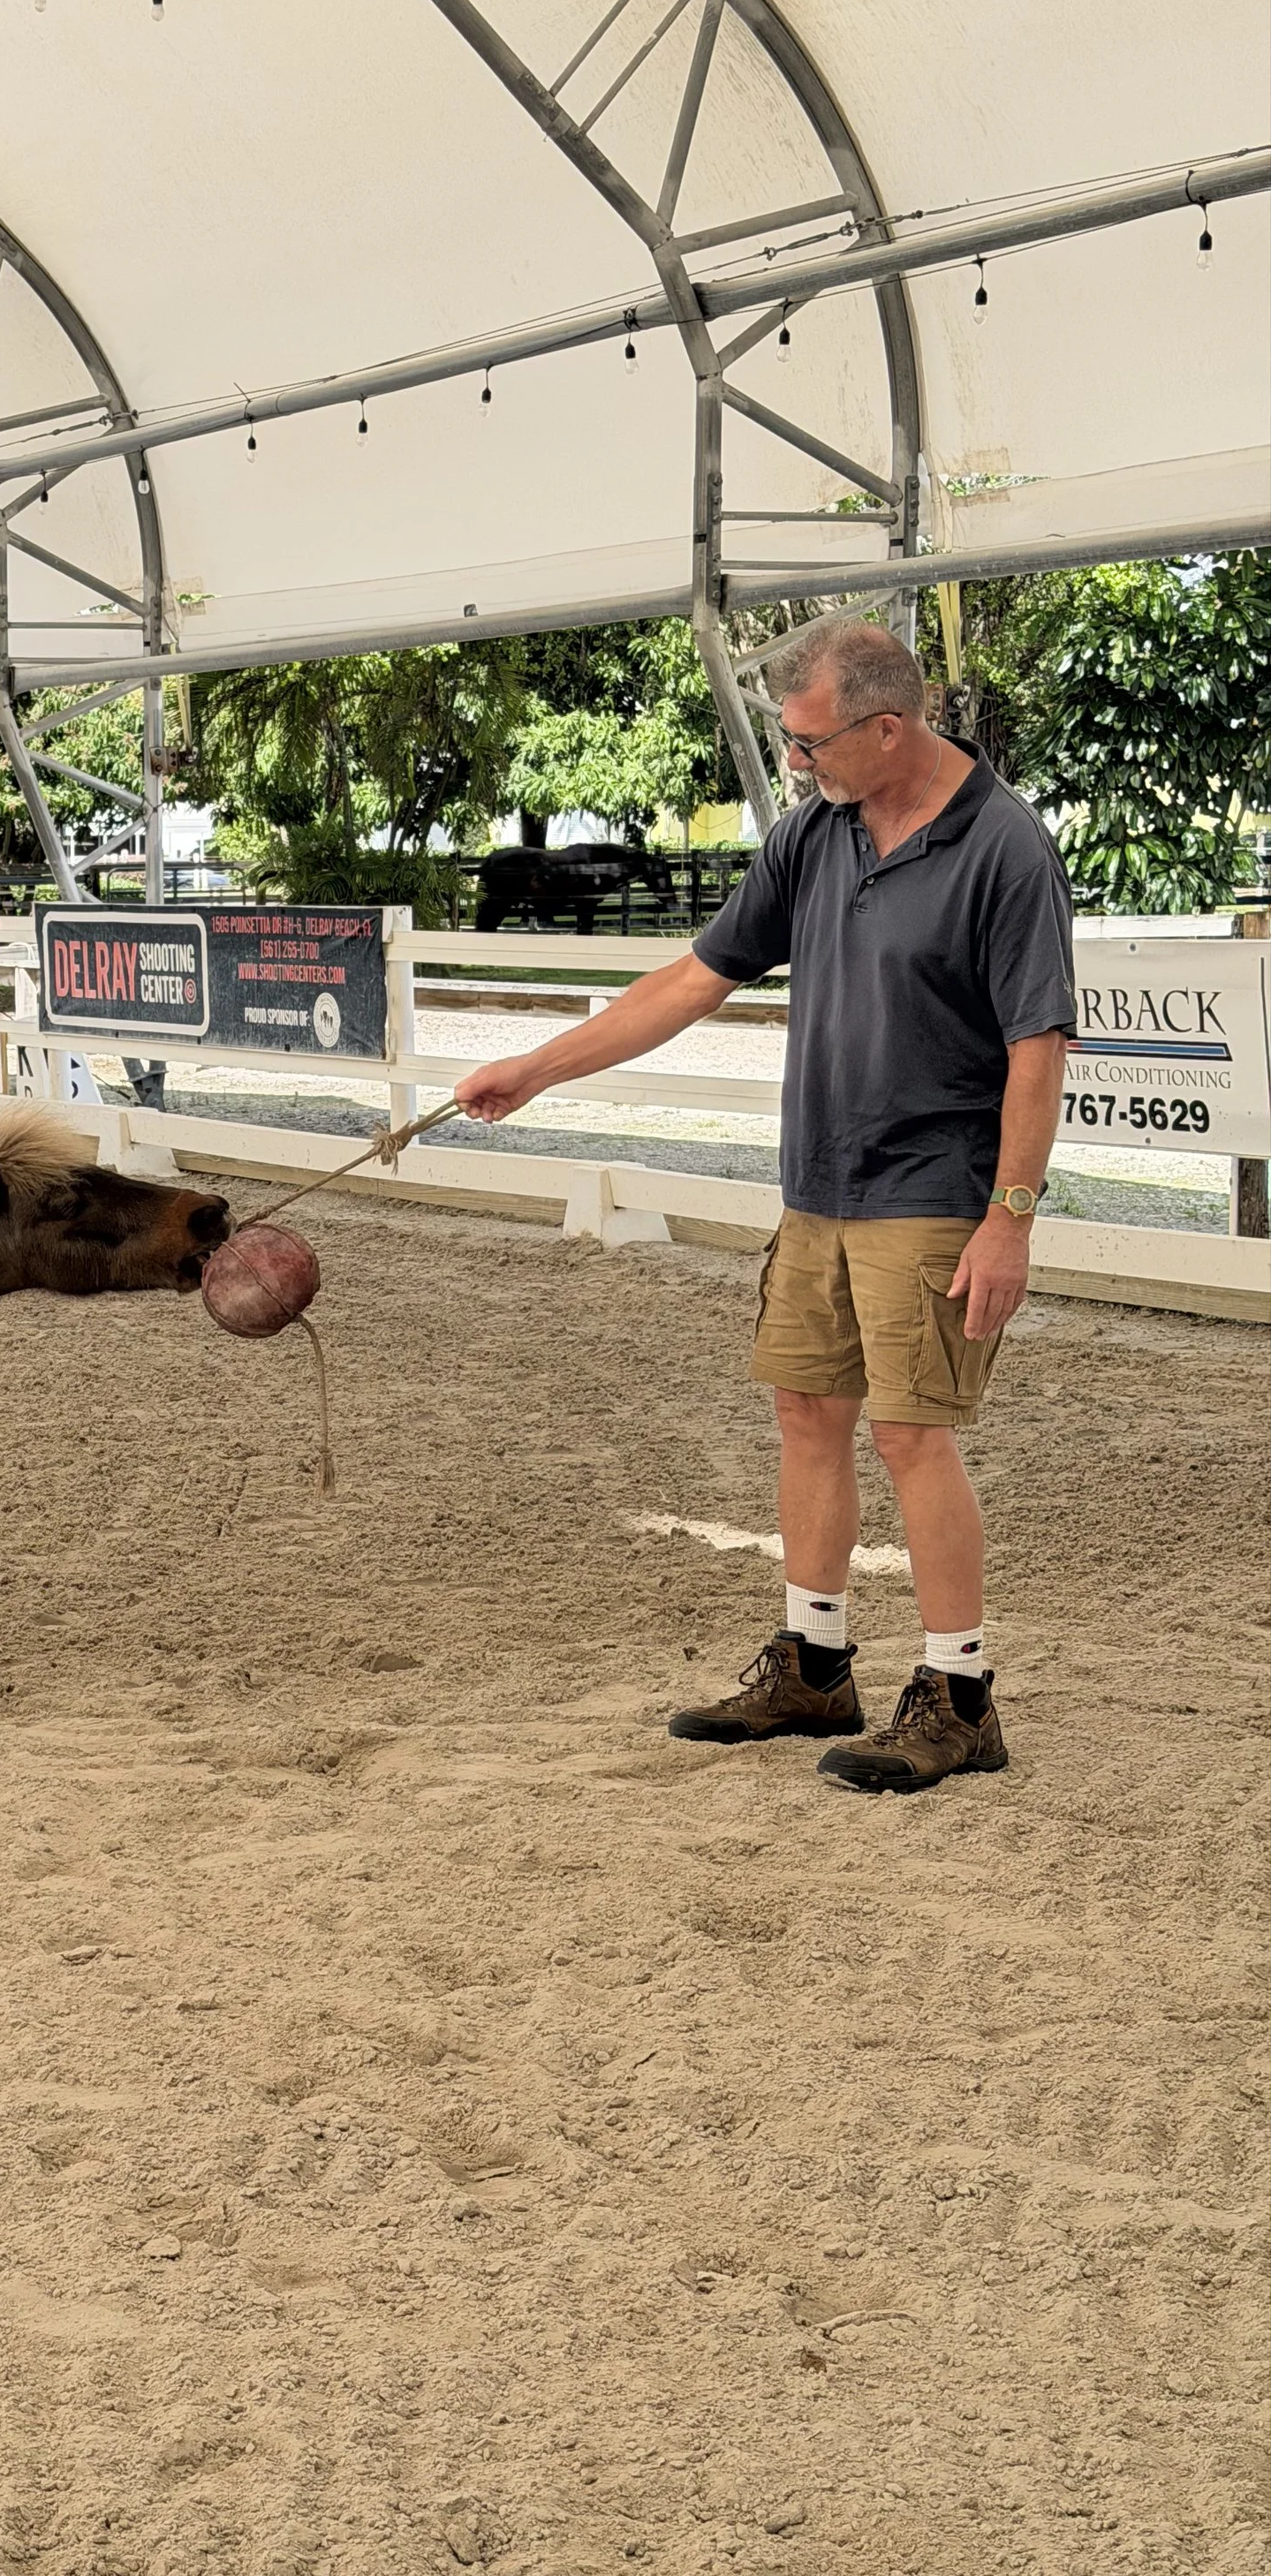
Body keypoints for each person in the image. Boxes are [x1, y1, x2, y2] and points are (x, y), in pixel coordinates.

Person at [456, 616, 1074, 1793]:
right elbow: (695, 980)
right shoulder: (815, 838)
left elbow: (1037, 1047)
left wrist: (1010, 1216)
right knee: (807, 1413)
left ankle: (961, 1695)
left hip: (934, 1191)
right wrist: (538, 1068)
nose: (798, 762)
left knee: (911, 1433)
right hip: (819, 1184)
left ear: (889, 729)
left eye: (811, 741)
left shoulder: (1006, 850)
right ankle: (817, 1660)